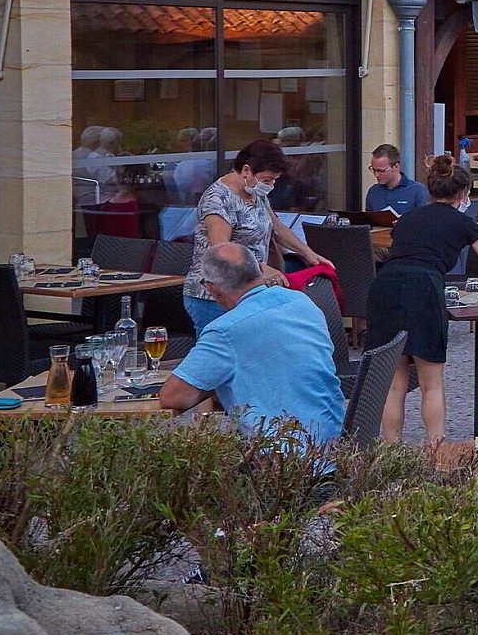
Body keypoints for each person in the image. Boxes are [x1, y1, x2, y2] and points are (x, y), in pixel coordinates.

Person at [365, 156, 478, 445]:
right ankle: (435, 451)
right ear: (462, 193)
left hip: (385, 287)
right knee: (432, 384)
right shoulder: (463, 222)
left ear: (431, 190)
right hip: (423, 290)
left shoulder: (407, 220)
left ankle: (390, 451)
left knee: (394, 384)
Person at [159, 243, 345, 445]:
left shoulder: (225, 331)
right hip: (336, 443)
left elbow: (173, 397)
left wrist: (217, 380)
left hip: (280, 459)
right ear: (259, 268)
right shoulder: (301, 301)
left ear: (211, 289)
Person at [188, 139, 331, 334]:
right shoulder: (218, 199)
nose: (271, 185)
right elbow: (221, 250)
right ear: (246, 171)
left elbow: (276, 227)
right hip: (215, 296)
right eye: (267, 179)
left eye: (274, 180)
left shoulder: (256, 191)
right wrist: (261, 268)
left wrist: (308, 253)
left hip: (248, 291)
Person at [364, 143, 432, 216]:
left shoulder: (418, 190)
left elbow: (424, 219)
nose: (376, 175)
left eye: (381, 171)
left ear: (396, 166)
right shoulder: (373, 191)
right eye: (374, 170)